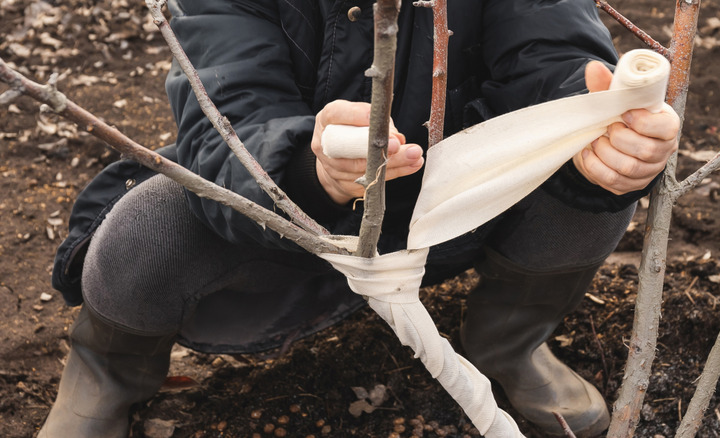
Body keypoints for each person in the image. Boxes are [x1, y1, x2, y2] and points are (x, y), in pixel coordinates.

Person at [38, 0, 679, 436]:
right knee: (148, 228)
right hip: (294, 222)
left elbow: (552, 56)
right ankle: (108, 370)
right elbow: (225, 122)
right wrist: (308, 171)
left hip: (457, 204)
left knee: (590, 165)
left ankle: (508, 344)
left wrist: (593, 125)